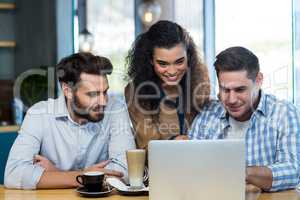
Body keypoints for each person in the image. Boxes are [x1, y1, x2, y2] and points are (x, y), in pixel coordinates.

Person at [4, 52, 136, 189]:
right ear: (68, 91)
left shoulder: (116, 109)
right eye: (92, 94)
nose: (103, 101)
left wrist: (57, 174)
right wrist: (82, 176)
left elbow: (125, 172)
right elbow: (14, 174)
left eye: (105, 92)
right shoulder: (39, 114)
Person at [189, 46, 300, 192]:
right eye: (225, 90)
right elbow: (190, 168)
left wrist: (240, 172)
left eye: (240, 90)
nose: (232, 99)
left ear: (259, 80)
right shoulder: (207, 114)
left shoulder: (283, 112)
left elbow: (292, 171)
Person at [125, 20, 210, 149]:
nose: (172, 72)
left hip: (199, 162)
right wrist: (176, 141)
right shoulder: (135, 91)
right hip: (158, 166)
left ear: (189, 57)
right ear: (150, 61)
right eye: (163, 64)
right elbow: (147, 145)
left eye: (179, 62)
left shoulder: (200, 81)